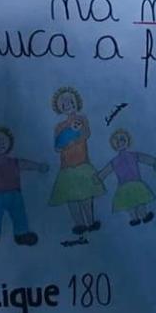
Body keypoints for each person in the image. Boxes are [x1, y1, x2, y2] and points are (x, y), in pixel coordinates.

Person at [48, 87, 106, 235]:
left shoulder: (82, 119)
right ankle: (79, 224)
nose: (68, 105)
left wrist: (74, 136)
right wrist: (65, 143)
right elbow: (57, 147)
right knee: (71, 198)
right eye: (64, 103)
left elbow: (86, 133)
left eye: (70, 101)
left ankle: (90, 222)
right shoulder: (59, 127)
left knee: (86, 196)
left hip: (83, 164)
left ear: (76, 102)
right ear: (59, 107)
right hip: (67, 168)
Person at [95, 129, 156, 226]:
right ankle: (134, 218)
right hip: (124, 186)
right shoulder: (115, 161)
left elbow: (144, 158)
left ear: (127, 141)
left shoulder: (133, 155)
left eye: (122, 140)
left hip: (136, 183)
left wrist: (154, 161)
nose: (120, 143)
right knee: (129, 204)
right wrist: (99, 177)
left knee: (140, 201)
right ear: (115, 146)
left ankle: (143, 215)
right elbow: (106, 170)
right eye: (117, 142)